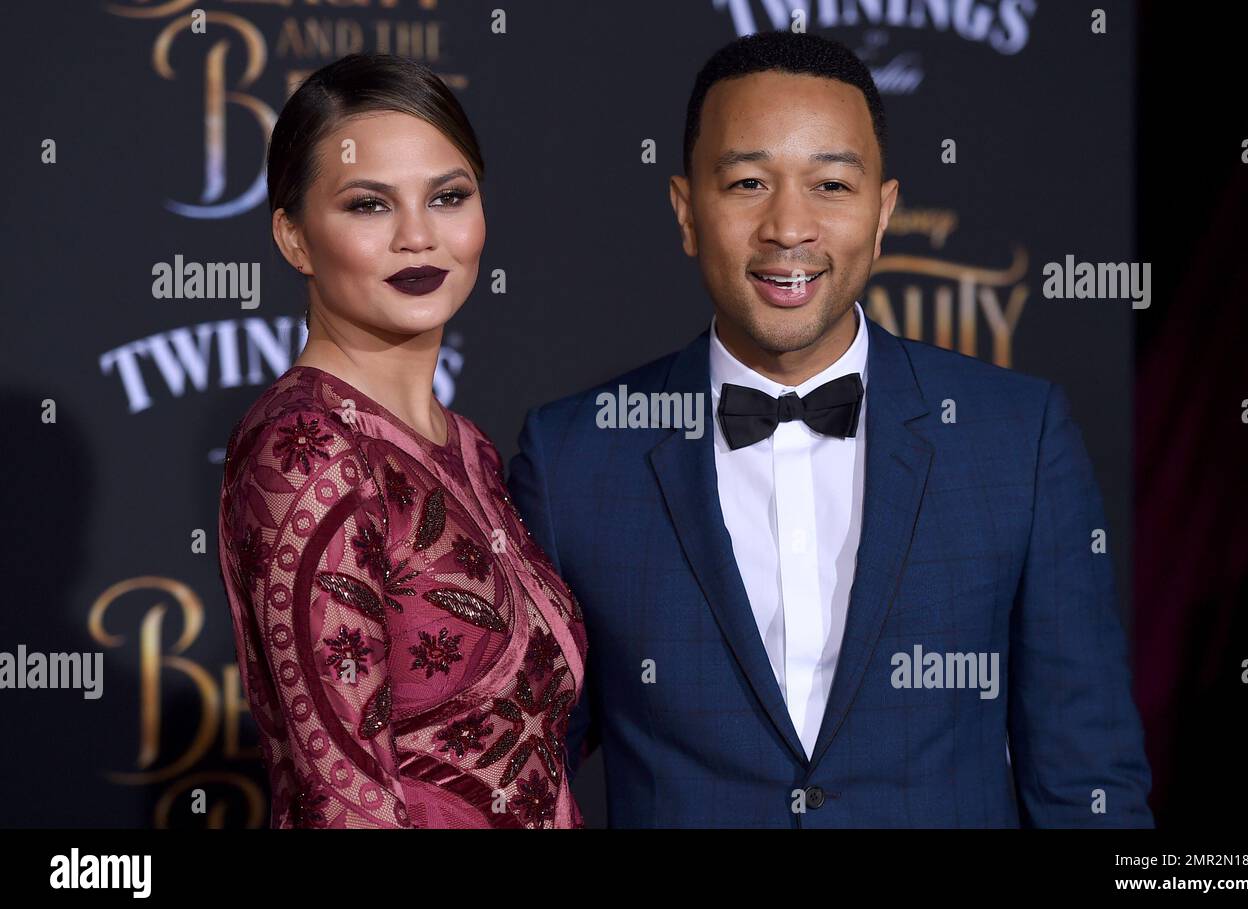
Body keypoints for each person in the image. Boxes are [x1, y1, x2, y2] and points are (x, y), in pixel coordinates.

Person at [507, 31, 1153, 827]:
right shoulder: (574, 457)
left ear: (883, 213)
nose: (789, 227)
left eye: (832, 186)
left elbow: (1087, 786)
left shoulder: (1019, 439)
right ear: (685, 211)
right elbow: (522, 781)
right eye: (748, 182)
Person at [217, 53, 586, 829]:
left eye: (448, 196)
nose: (419, 236)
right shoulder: (307, 446)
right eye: (368, 205)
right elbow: (341, 797)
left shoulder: (472, 447)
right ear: (293, 238)